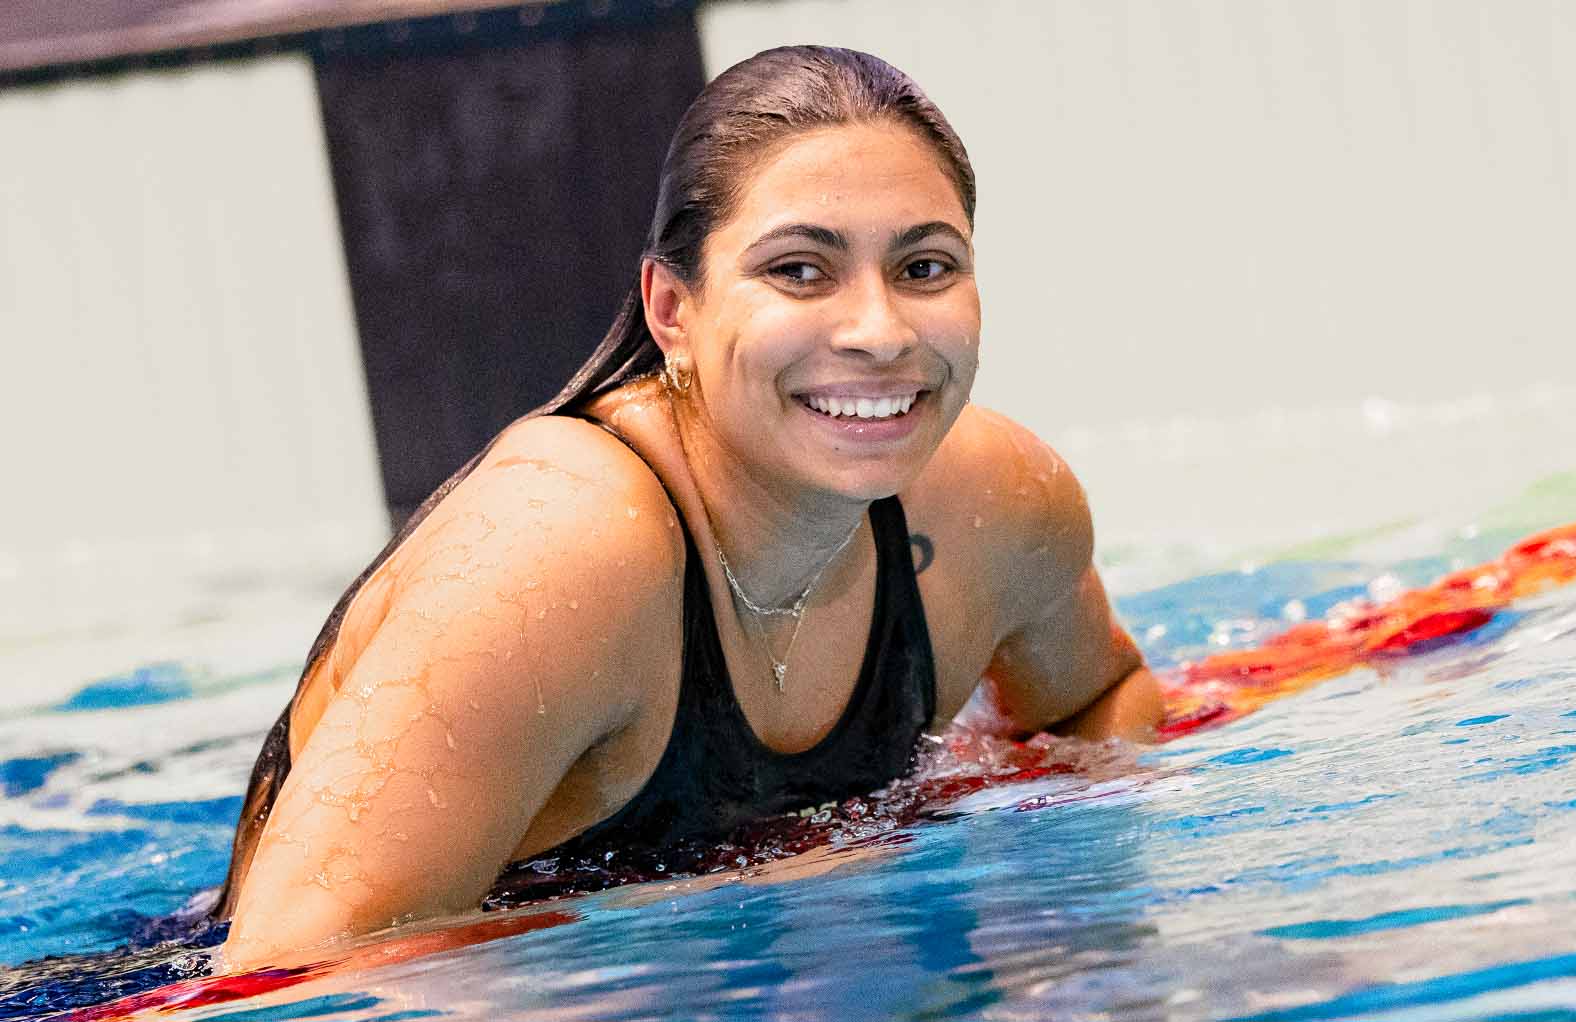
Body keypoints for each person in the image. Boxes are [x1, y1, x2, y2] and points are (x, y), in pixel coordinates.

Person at [211, 45, 1161, 971]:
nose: (879, 333)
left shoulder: (992, 499)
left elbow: (1098, 700)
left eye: (924, 268)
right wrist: (716, 908)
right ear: (672, 310)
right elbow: (291, 970)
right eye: (798, 270)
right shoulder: (560, 548)